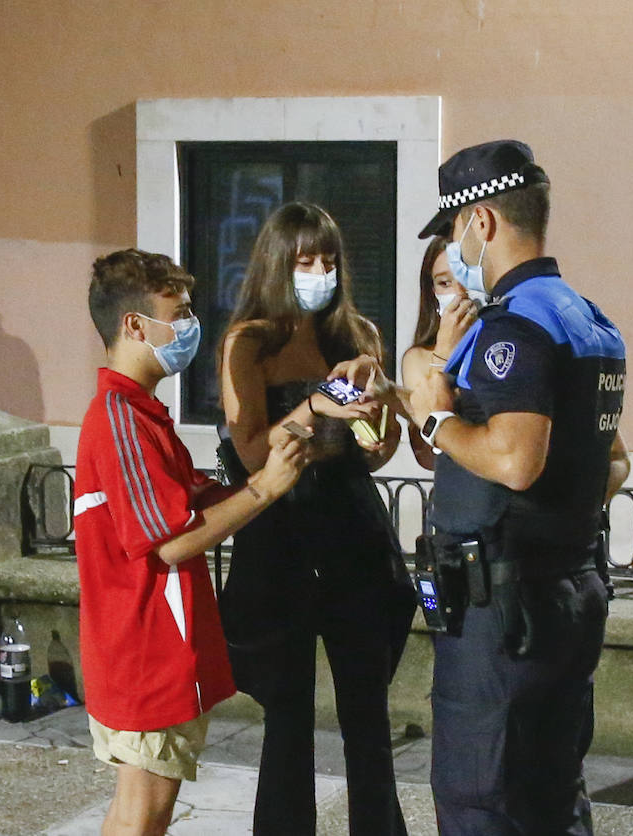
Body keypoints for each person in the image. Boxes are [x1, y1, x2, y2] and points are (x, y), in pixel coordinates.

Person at [345, 139, 630, 834]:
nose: (452, 245)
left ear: (482, 222)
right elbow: (608, 463)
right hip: (557, 591)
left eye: (451, 227)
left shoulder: (517, 327)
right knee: (549, 796)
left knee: (483, 798)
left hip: (503, 617)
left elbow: (514, 460)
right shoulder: (585, 318)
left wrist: (434, 415)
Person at [76, 249, 310, 836]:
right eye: (177, 314)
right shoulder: (120, 416)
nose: (189, 327)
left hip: (145, 650)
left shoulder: (140, 413)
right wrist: (264, 490)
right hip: (145, 651)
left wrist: (268, 466)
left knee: (138, 810)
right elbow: (168, 544)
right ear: (134, 325)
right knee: (143, 814)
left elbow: (189, 503)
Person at [216, 202, 415, 835]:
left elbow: (378, 451)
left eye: (329, 260)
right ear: (279, 263)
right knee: (287, 713)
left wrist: (375, 402)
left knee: (367, 711)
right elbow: (251, 451)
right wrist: (316, 404)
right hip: (280, 534)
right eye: (306, 261)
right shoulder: (248, 341)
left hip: (351, 529)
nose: (321, 272)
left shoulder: (357, 335)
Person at [400, 236, 478, 470]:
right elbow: (427, 455)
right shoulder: (419, 358)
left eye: (466, 278)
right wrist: (444, 353)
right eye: (445, 283)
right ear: (432, 291)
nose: (460, 292)